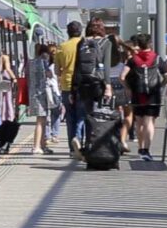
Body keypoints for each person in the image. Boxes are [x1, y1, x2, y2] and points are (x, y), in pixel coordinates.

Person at [70, 18, 113, 157]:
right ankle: (94, 147)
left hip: (82, 84)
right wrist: (108, 86)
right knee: (98, 116)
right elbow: (106, 67)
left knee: (86, 115)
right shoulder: (106, 42)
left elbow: (76, 67)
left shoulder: (82, 42)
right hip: (98, 84)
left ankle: (83, 143)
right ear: (102, 28)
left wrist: (73, 89)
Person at [122, 33, 167, 161]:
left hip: (137, 93)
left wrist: (128, 88)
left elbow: (122, 76)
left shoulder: (133, 59)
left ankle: (140, 147)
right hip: (153, 94)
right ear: (150, 44)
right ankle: (146, 150)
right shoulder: (157, 58)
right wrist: (161, 85)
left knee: (139, 122)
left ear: (139, 45)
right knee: (149, 122)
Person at [54, 21, 84, 155]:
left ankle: (72, 148)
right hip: (83, 85)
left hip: (67, 85)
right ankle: (79, 139)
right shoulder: (86, 45)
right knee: (82, 116)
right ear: (81, 31)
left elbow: (56, 70)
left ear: (68, 32)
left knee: (70, 117)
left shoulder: (62, 47)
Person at [28, 43, 55, 154]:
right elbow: (50, 75)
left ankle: (42, 145)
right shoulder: (43, 62)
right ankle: (36, 146)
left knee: (43, 120)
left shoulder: (31, 62)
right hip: (42, 94)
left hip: (34, 94)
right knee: (40, 121)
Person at [108, 36, 133, 153]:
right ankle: (122, 140)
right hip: (122, 83)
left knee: (114, 114)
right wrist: (123, 44)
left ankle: (114, 140)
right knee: (128, 114)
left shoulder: (103, 51)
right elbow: (135, 53)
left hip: (109, 85)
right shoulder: (122, 53)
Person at [46, 44, 62, 145]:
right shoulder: (57, 66)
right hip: (56, 92)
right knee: (56, 115)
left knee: (46, 115)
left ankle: (46, 136)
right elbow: (60, 80)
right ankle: (54, 135)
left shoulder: (46, 66)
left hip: (47, 91)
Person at [0, 47, 17, 122]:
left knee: (3, 98)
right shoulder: (6, 57)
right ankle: (10, 116)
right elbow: (8, 69)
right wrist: (14, 78)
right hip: (6, 78)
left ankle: (2, 116)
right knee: (8, 98)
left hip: (1, 77)